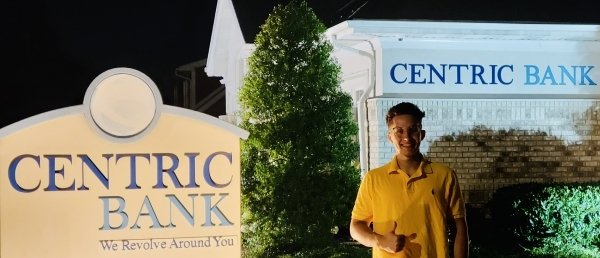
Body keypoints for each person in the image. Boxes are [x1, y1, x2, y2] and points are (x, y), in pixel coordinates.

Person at [350, 102, 469, 258]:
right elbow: (356, 226)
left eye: (413, 129)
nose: (406, 137)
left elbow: (459, 228)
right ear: (390, 136)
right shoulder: (374, 179)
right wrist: (380, 241)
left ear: (422, 134)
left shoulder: (444, 175)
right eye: (399, 131)